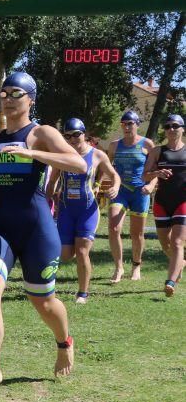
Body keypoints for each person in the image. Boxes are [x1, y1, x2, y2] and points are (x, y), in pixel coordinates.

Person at [0, 71, 85, 397]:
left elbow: (78, 164)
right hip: (0, 225)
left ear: (30, 99)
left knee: (43, 302)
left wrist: (33, 154)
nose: (7, 98)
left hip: (36, 228)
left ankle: (64, 341)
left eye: (15, 93)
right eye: (3, 93)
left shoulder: (40, 132)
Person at [46, 118, 120, 304]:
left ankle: (82, 293)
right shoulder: (62, 156)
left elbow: (114, 176)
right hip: (66, 211)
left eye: (76, 134)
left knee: (82, 251)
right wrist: (47, 201)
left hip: (87, 211)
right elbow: (52, 181)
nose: (72, 139)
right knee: (65, 254)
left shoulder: (96, 155)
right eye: (68, 136)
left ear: (84, 134)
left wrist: (115, 187)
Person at [107, 111, 156, 283]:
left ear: (137, 124)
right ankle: (119, 267)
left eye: (130, 123)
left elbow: (155, 169)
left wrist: (151, 185)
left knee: (137, 234)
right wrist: (110, 184)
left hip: (139, 193)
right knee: (113, 228)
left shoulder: (147, 144)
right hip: (120, 191)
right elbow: (107, 167)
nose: (127, 127)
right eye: (124, 124)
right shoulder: (114, 146)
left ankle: (136, 266)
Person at [143, 113, 185, 297]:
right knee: (165, 244)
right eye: (167, 126)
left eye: (175, 126)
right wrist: (157, 173)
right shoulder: (157, 151)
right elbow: (145, 175)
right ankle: (180, 263)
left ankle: (170, 281)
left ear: (182, 129)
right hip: (161, 202)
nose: (171, 129)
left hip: (182, 201)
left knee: (176, 242)